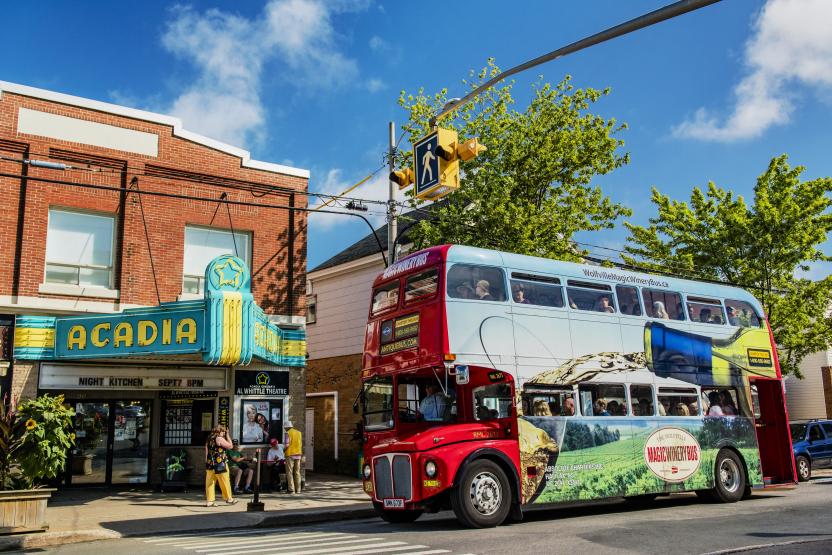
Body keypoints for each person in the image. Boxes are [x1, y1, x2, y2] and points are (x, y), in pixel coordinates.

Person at [204, 425, 237, 507]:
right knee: (224, 481)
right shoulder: (219, 438)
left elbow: (206, 451)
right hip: (220, 463)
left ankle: (210, 501)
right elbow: (230, 446)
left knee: (210, 483)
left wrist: (207, 462)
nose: (224, 433)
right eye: (223, 432)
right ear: (220, 431)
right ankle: (229, 499)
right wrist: (228, 436)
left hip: (210, 464)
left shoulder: (209, 439)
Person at [283, 421, 303, 494]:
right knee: (297, 472)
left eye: (285, 427)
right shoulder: (299, 433)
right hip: (298, 454)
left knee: (289, 472)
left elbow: (287, 444)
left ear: (286, 427)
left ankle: (291, 489)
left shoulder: (287, 433)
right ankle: (298, 489)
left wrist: (283, 450)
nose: (284, 428)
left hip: (290, 454)